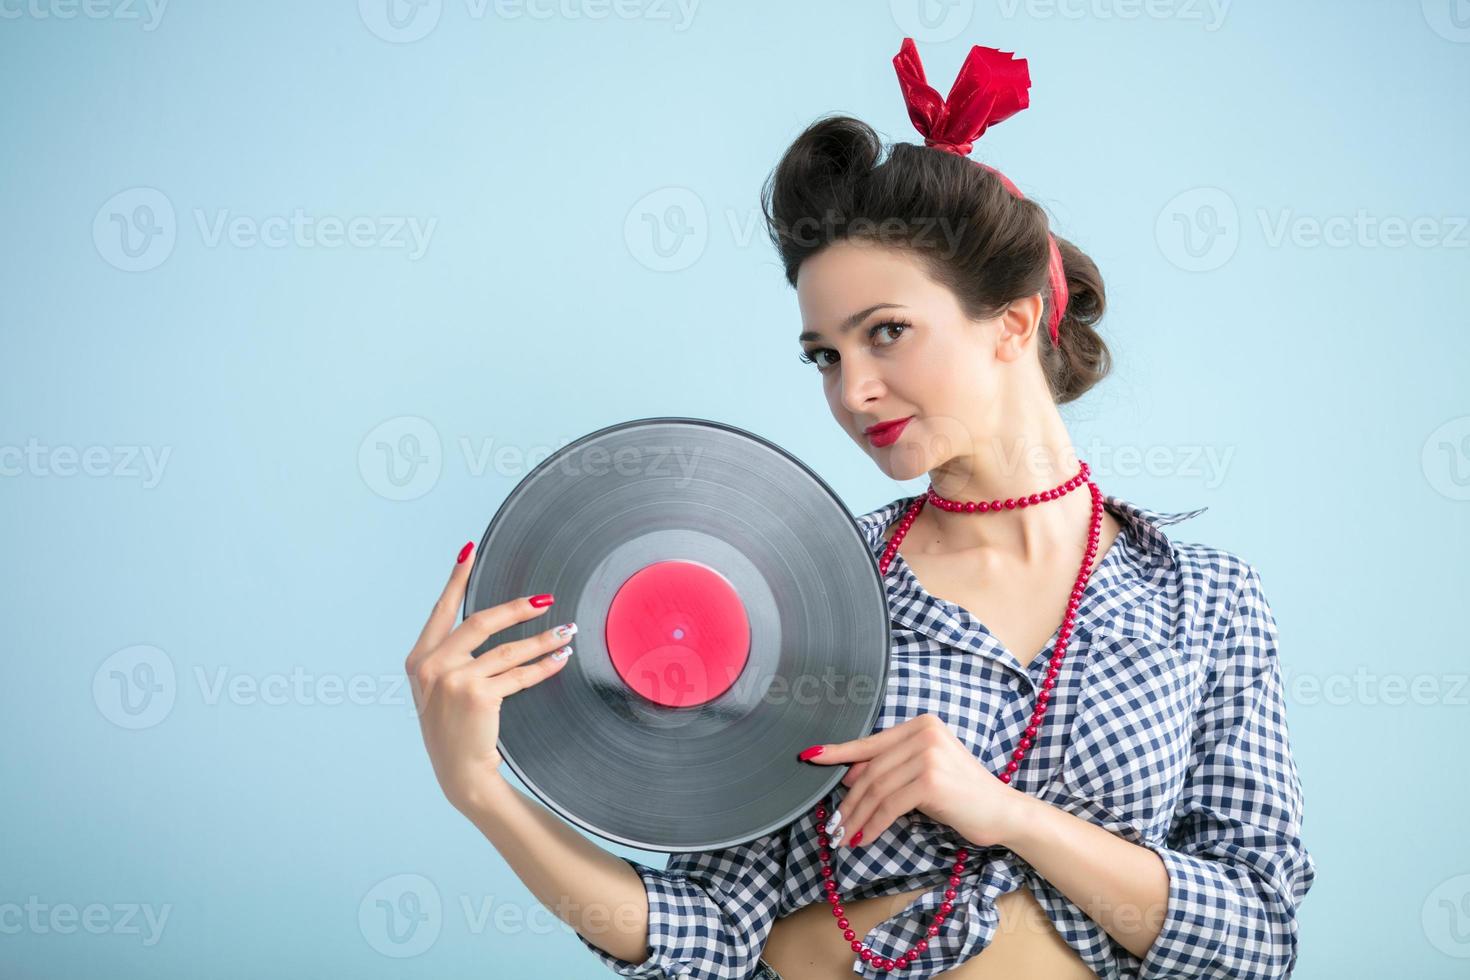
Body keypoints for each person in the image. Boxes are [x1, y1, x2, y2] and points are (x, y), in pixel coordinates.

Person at [406, 38, 1314, 980]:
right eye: (825, 355)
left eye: (887, 333)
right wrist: (483, 790)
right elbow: (711, 935)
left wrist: (1004, 814)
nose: (855, 391)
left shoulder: (1207, 603)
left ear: (1012, 322)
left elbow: (1257, 937)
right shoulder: (807, 595)